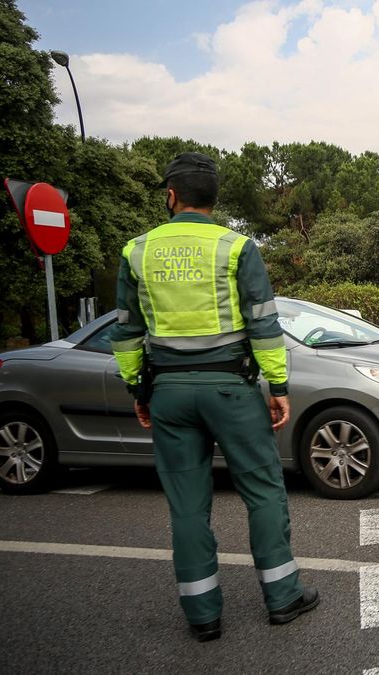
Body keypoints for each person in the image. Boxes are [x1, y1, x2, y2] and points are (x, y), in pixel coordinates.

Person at [110, 152, 319, 642]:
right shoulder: (236, 247)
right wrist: (279, 386)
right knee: (263, 491)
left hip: (169, 393)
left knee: (186, 506)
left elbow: (125, 333)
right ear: (213, 198)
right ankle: (283, 597)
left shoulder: (136, 251)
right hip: (231, 389)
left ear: (171, 195)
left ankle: (203, 614)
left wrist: (139, 389)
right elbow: (265, 325)